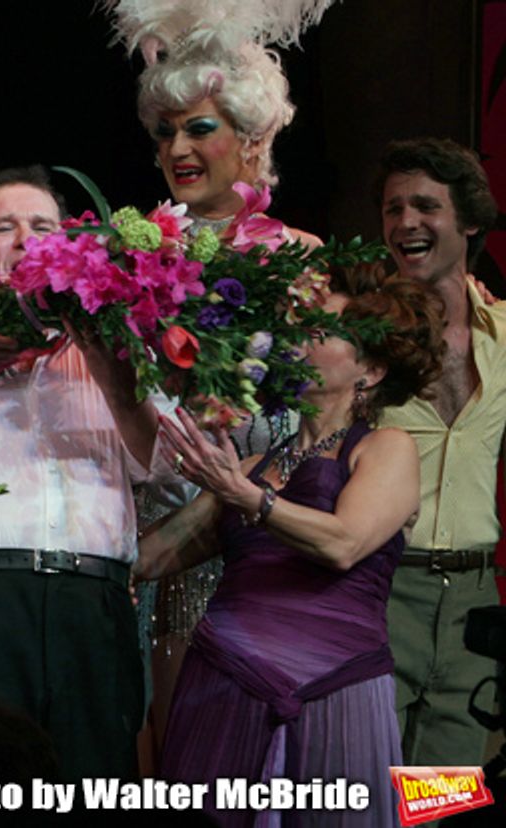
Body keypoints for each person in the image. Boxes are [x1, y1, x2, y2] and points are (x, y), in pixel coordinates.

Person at [105, 0, 333, 760]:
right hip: (138, 549)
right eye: (166, 131)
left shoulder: (300, 261)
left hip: (245, 551)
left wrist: (220, 509)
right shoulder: (134, 260)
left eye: (199, 128)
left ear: (254, 139)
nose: (177, 147)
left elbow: (327, 422)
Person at [137, 272, 445, 826]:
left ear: (369, 372)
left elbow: (346, 543)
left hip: (334, 686)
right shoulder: (252, 468)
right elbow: (148, 558)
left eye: (322, 330)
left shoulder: (387, 448)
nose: (300, 338)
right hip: (224, 685)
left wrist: (245, 496)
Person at [0, 166, 173, 781]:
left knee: (93, 793)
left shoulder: (120, 345)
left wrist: (100, 351)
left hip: (92, 602)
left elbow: (160, 465)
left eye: (42, 227)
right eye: (2, 227)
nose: (24, 240)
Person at [375, 137, 504, 766]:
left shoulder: (505, 336)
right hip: (381, 591)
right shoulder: (360, 338)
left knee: (444, 800)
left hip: (474, 604)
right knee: (363, 790)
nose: (405, 223)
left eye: (424, 206)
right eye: (393, 209)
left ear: (470, 219)